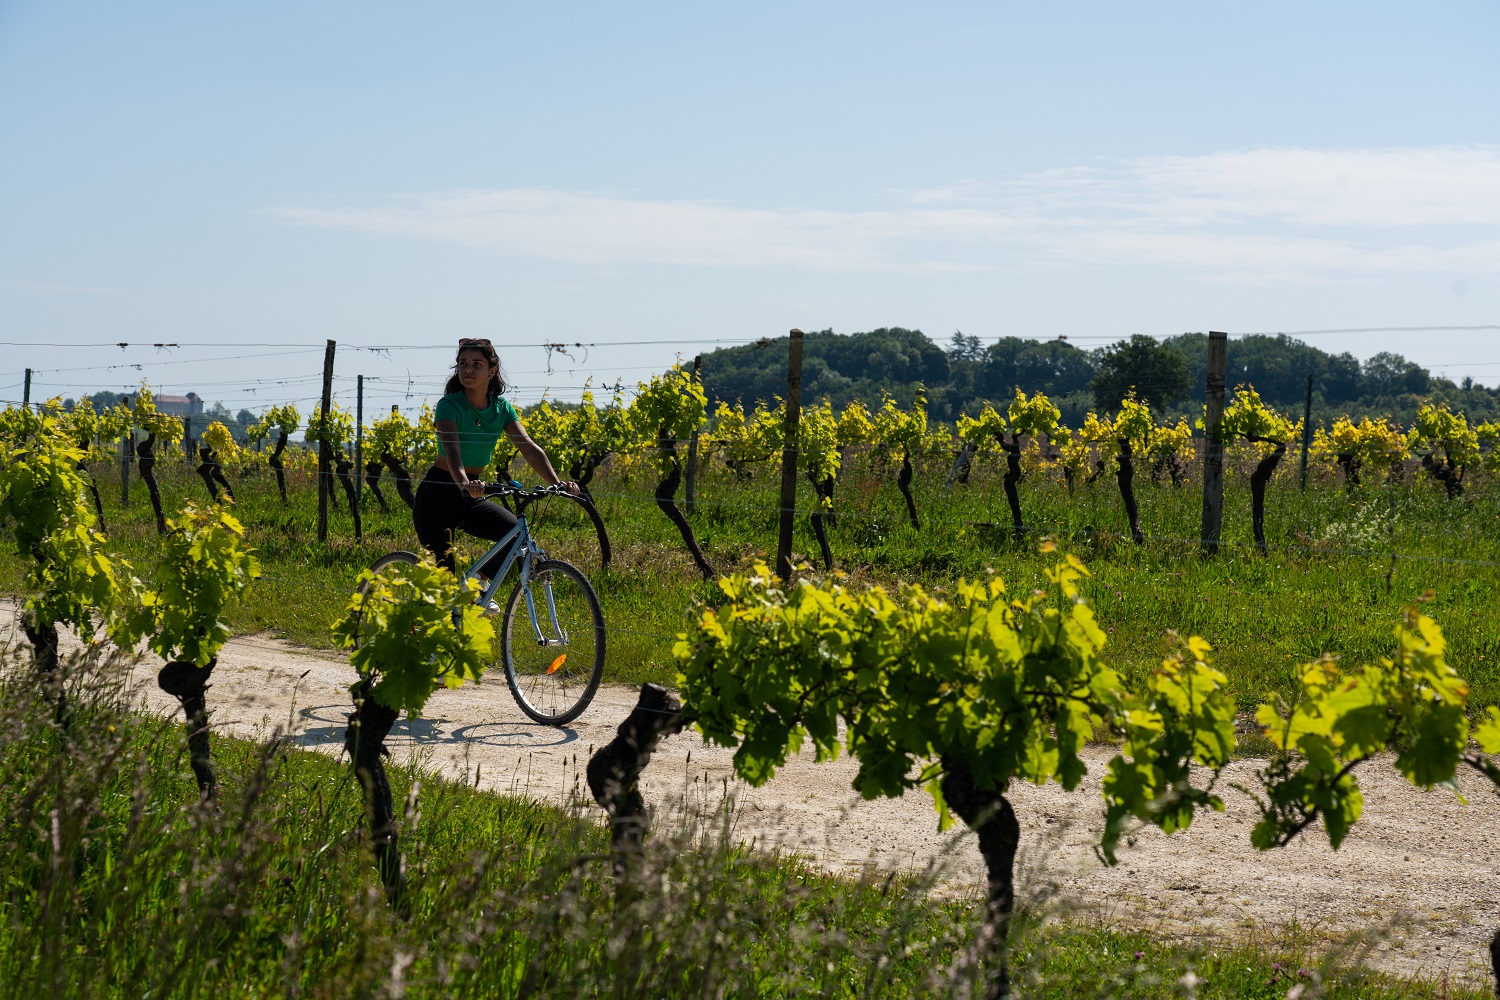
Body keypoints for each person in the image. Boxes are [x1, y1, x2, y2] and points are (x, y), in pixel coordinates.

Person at [413, 338, 577, 609]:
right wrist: (464, 482)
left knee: (514, 534)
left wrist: (558, 484)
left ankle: (477, 583)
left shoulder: (501, 409)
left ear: (491, 370)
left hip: (471, 492)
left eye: (476, 364)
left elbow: (529, 448)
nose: (468, 369)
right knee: (444, 586)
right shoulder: (449, 405)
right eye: (463, 363)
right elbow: (452, 450)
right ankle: (417, 632)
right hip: (438, 494)